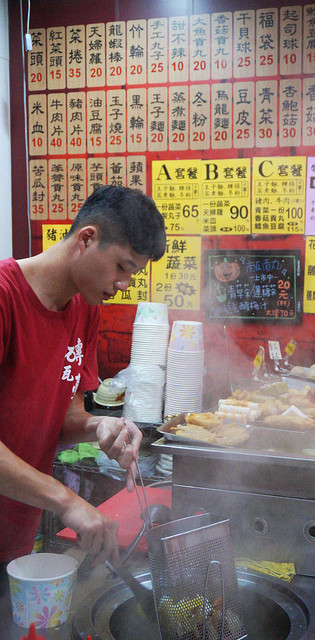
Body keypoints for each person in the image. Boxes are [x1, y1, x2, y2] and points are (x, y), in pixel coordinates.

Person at [0, 185, 166, 574]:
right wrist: (69, 501)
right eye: (122, 267)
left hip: (15, 531)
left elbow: (62, 416)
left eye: (133, 273)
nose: (124, 284)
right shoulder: (6, 297)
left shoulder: (85, 307)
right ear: (87, 238)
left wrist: (100, 426)